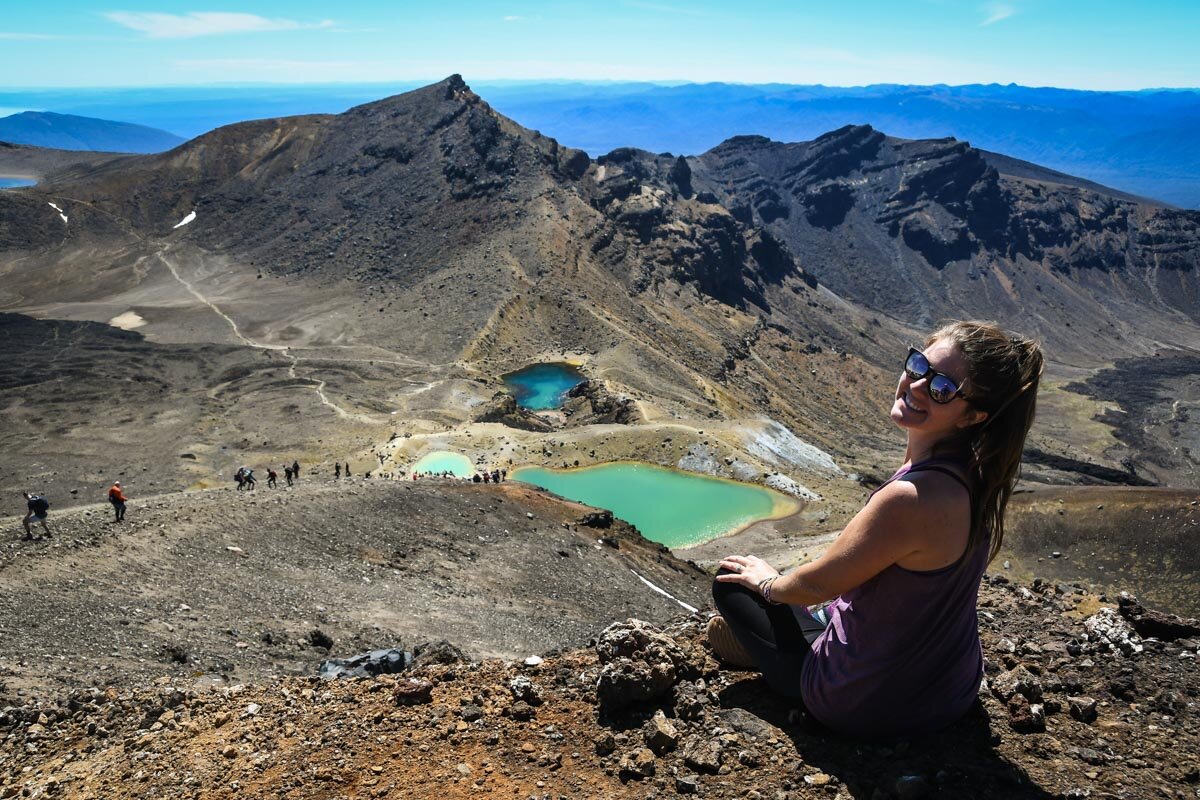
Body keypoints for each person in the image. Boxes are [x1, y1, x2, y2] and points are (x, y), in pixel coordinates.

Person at [710, 321, 1044, 739]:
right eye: (919, 365)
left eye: (942, 389)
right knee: (821, 605)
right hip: (950, 689)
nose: (918, 385)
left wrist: (767, 586)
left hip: (866, 701)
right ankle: (783, 638)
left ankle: (775, 655)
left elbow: (817, 585)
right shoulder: (976, 475)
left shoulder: (911, 498)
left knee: (732, 583)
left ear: (973, 416)